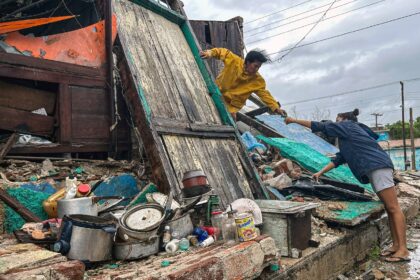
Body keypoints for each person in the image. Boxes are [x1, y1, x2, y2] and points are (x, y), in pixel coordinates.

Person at [285, 109, 410, 263]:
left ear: (344, 119)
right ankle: (396, 245)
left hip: (377, 167)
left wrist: (293, 120)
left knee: (393, 208)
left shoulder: (348, 126)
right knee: (390, 208)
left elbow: (320, 126)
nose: (335, 123)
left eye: (337, 119)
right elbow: (338, 159)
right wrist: (320, 172)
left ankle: (403, 250)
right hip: (374, 168)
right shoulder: (349, 137)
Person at [199, 48, 286, 120]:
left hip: (231, 106)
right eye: (255, 66)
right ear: (248, 62)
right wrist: (209, 53)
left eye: (258, 67)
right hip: (216, 93)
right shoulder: (234, 61)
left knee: (230, 120)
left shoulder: (257, 81)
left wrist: (276, 108)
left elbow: (265, 95)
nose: (257, 69)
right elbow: (222, 52)